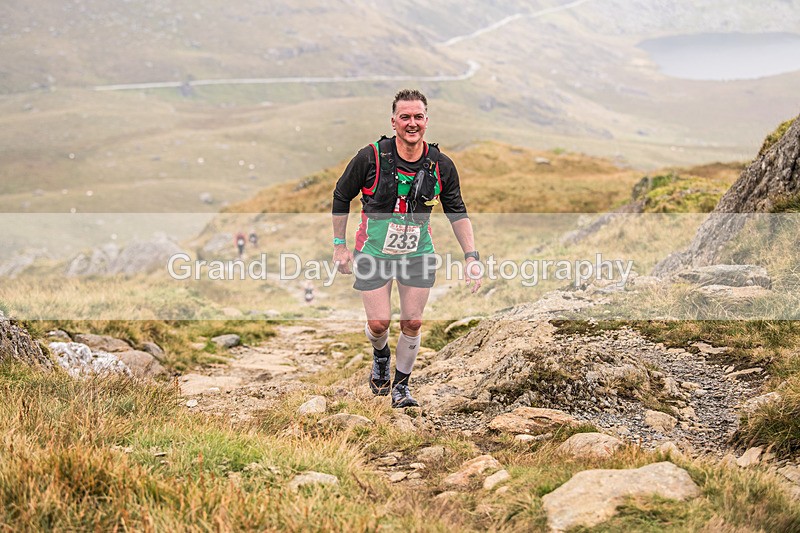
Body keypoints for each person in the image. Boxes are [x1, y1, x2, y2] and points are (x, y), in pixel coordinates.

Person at [332, 89, 482, 408]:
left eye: (417, 117)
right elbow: (341, 195)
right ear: (394, 121)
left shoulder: (441, 165)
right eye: (405, 117)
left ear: (426, 121)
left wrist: (472, 256)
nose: (411, 123)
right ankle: (381, 356)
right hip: (373, 251)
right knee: (379, 324)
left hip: (417, 252)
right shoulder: (370, 157)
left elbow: (457, 211)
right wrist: (339, 246)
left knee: (412, 322)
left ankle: (401, 387)